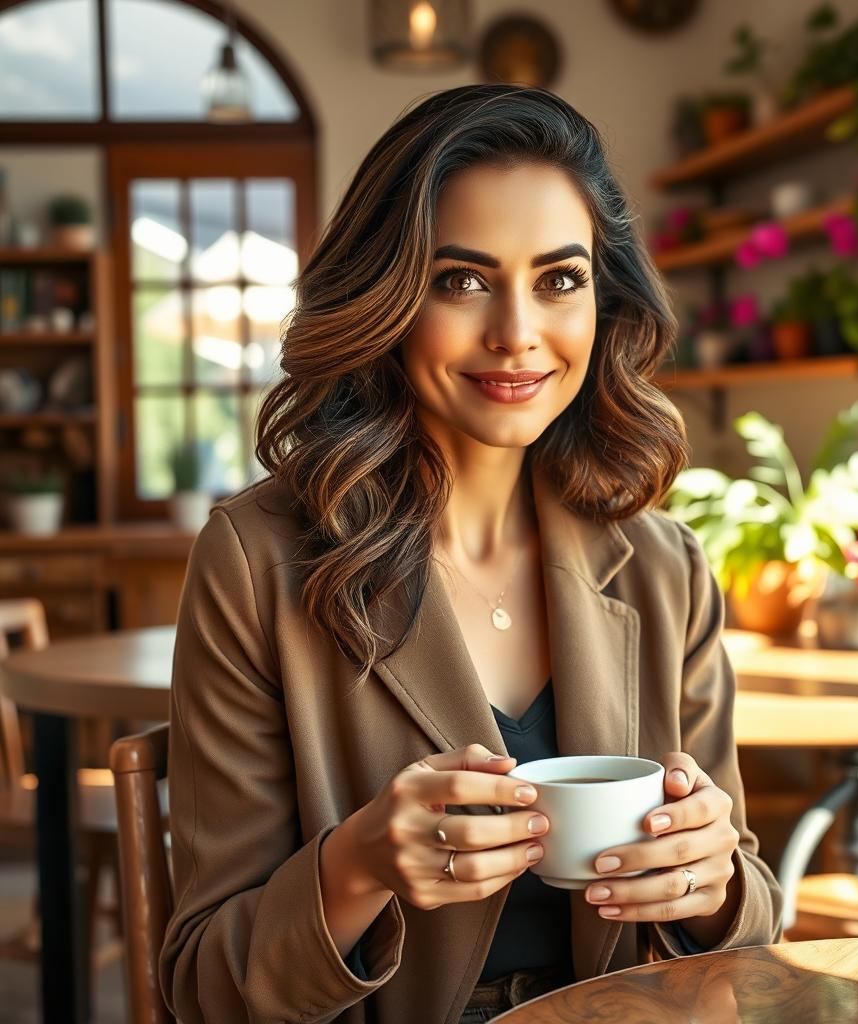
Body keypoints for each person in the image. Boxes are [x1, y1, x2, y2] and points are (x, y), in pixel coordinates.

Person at [158, 83, 783, 1024]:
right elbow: (204, 986)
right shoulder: (256, 561)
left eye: (559, 280)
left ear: (602, 303)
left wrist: (715, 886)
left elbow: (754, 919)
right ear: (389, 298)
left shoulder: (665, 568)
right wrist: (358, 864)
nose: (517, 334)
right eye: (460, 279)